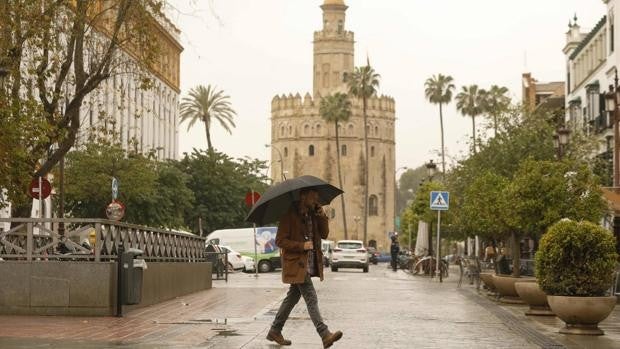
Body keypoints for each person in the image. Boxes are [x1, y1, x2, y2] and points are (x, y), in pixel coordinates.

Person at [266, 188, 343, 348]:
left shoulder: (314, 214)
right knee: (311, 297)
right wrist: (301, 245)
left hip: (308, 262)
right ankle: (324, 334)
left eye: (317, 196)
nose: (316, 199)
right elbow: (280, 241)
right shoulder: (289, 214)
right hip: (296, 263)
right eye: (313, 196)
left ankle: (275, 330)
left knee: (292, 297)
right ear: (303, 196)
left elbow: (325, 234)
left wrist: (322, 215)